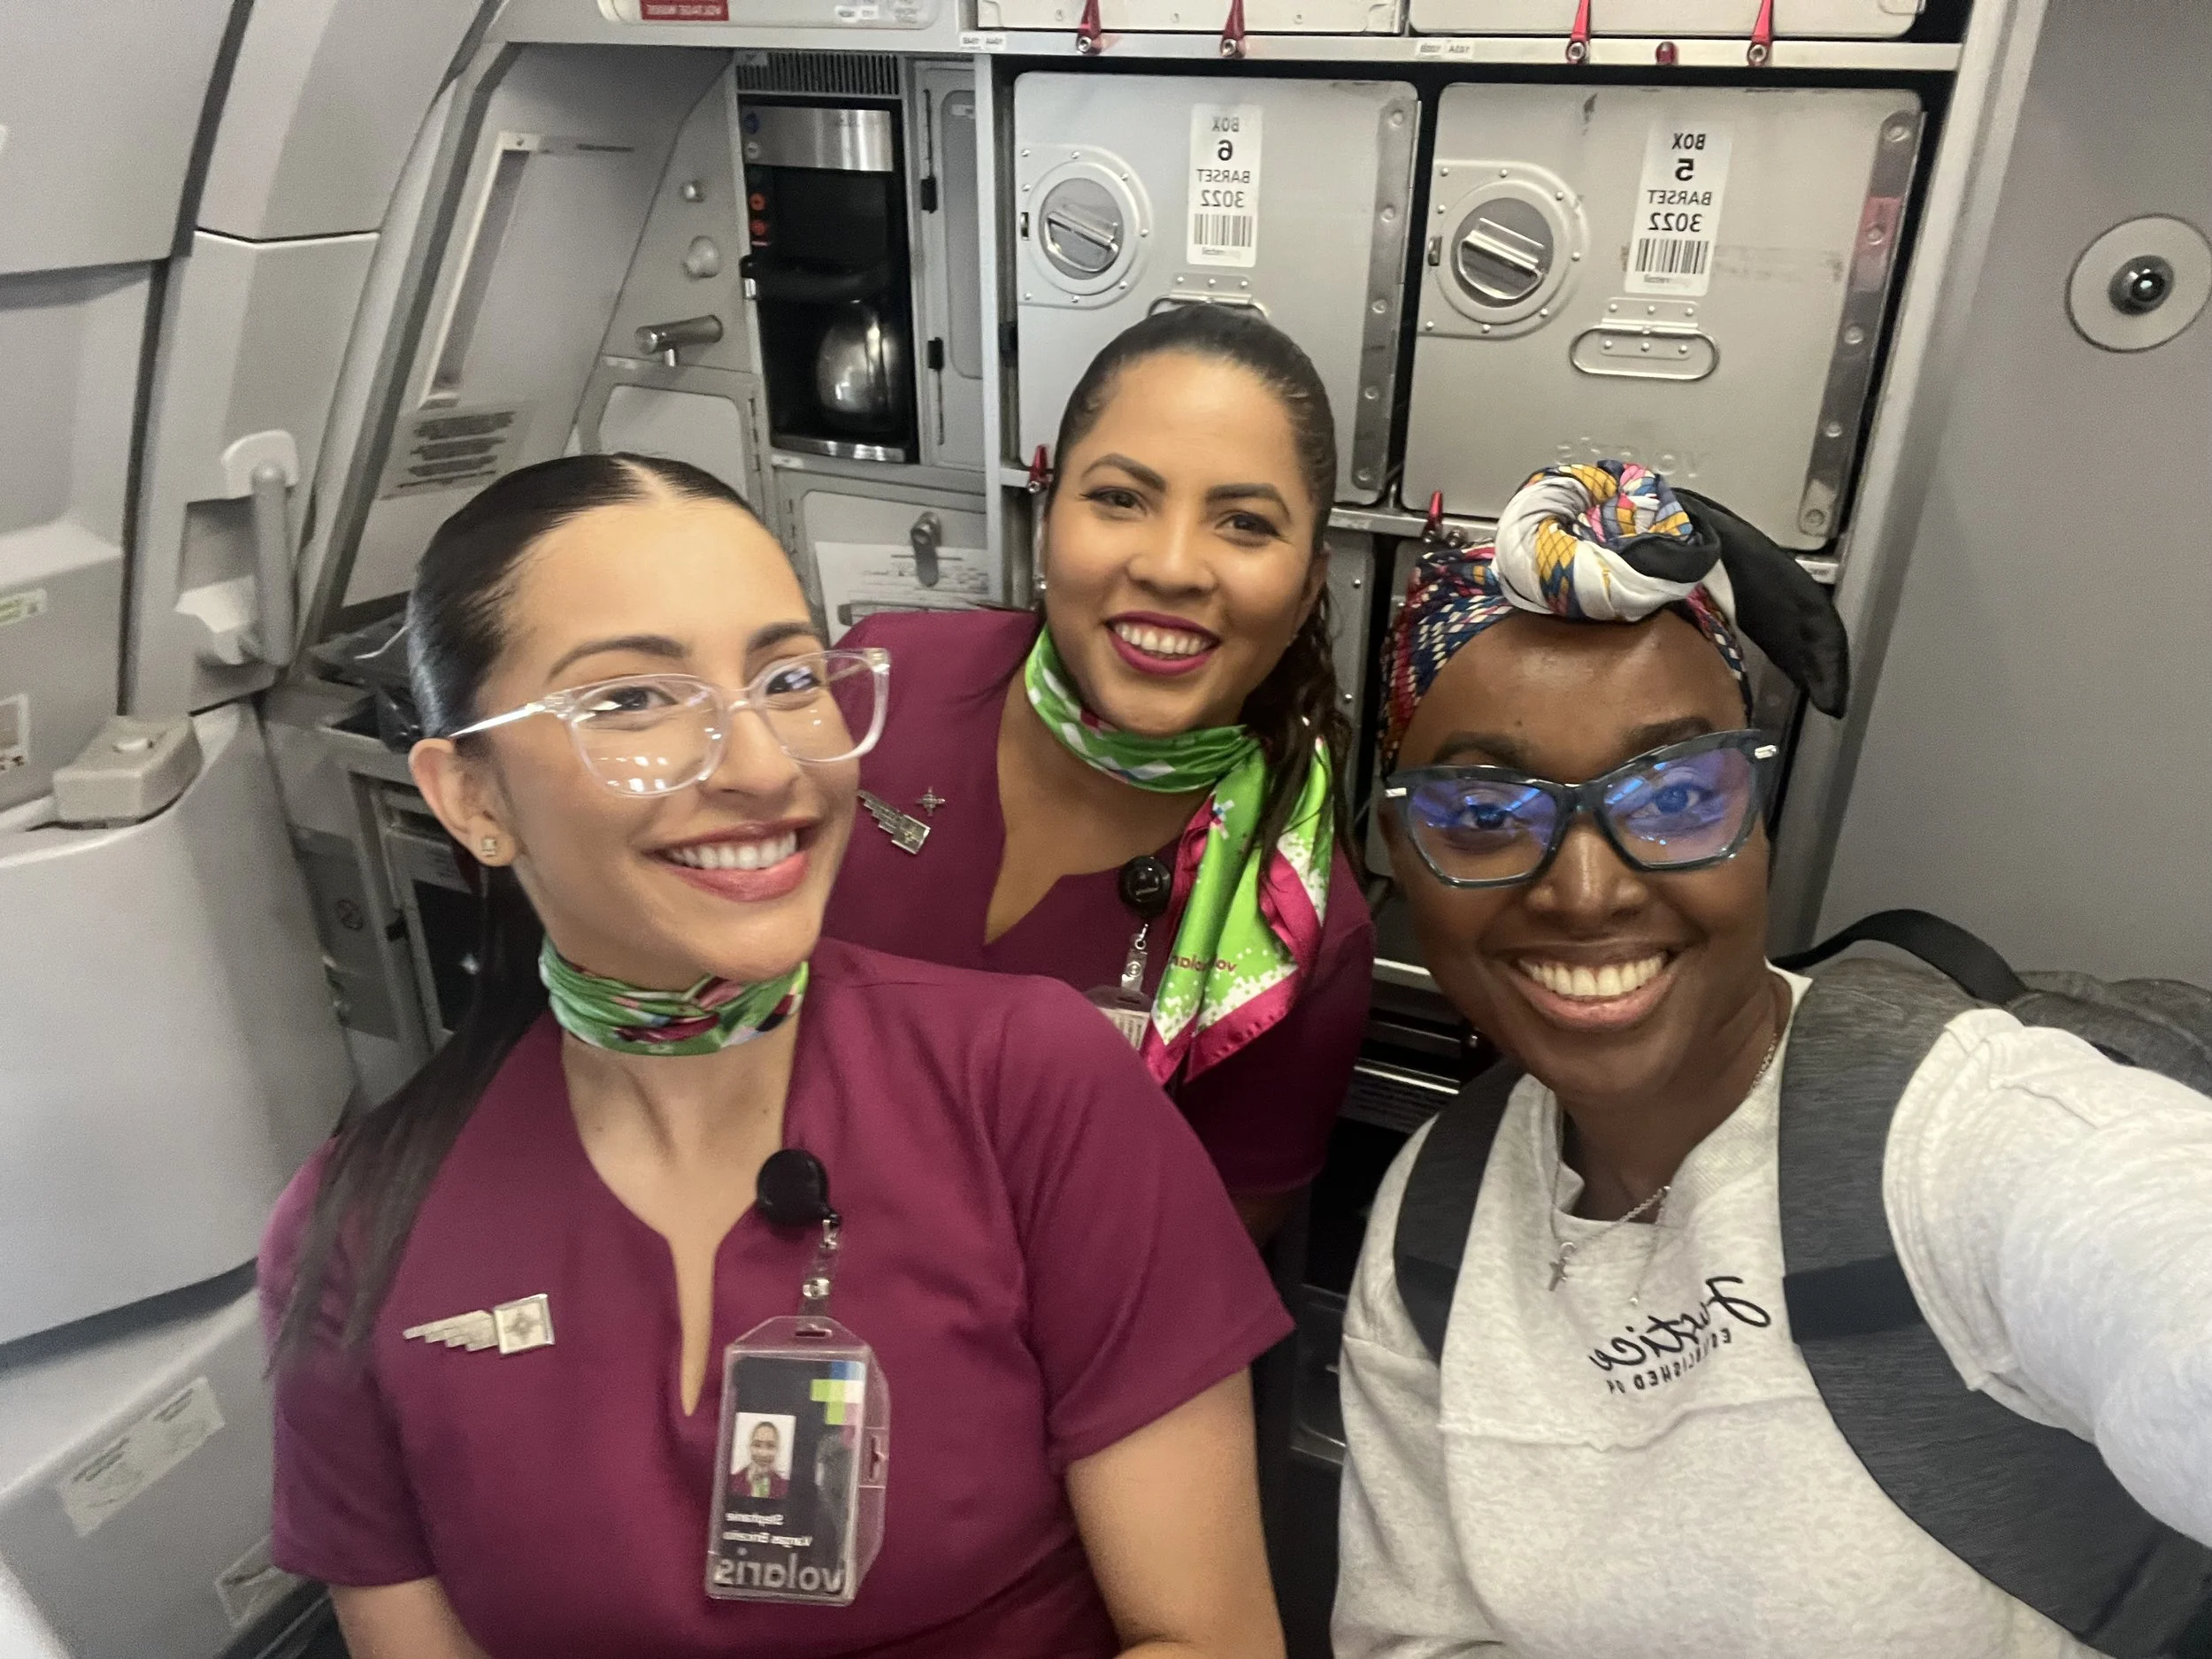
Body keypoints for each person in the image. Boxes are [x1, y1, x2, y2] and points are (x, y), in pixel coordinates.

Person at [261, 453, 1291, 1659]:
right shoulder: (355, 1236)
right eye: (633, 700)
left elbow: (1205, 1632)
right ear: (471, 795)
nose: (759, 766)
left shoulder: (1032, 1083)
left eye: (789, 677)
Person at [1333, 461, 2212, 1656]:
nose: (1587, 889)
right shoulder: (1432, 1222)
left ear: (1758, 820)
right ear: (1398, 850)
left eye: (1678, 793)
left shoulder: (1954, 1132)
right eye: (1486, 815)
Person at [823, 305, 1375, 1240]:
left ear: (1310, 583)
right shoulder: (876, 685)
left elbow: (1201, 1260)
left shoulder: (1291, 930)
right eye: (1120, 498)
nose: (1169, 567)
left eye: (1243, 523)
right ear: (1048, 515)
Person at [740, 1420, 788, 1501]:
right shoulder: (730, 1482)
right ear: (750, 1447)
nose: (763, 1453)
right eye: (757, 1445)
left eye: (770, 1446)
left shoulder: (786, 1488)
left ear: (778, 1449)